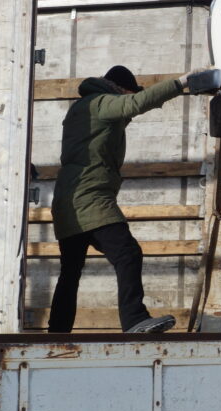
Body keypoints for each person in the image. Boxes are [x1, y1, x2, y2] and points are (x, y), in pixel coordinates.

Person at [49, 65, 211, 335]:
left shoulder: (82, 109)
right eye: (126, 93)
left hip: (67, 201)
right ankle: (134, 318)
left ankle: (56, 333)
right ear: (120, 89)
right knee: (128, 254)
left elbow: (131, 108)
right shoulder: (100, 103)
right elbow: (135, 104)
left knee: (70, 272)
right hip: (90, 198)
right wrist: (182, 82)